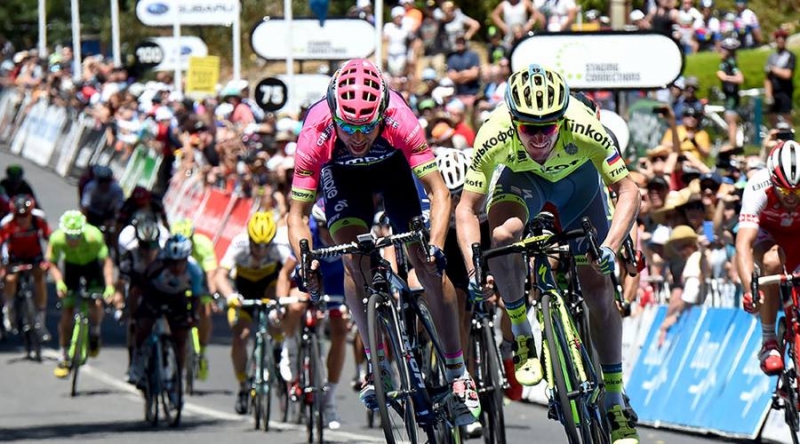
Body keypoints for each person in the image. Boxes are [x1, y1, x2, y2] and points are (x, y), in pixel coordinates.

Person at [286, 58, 481, 426]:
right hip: (342, 179)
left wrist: (435, 248)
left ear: (381, 114)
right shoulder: (315, 131)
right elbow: (296, 214)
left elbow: (439, 192)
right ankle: (379, 365)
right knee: (352, 258)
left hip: (394, 172)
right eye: (348, 127)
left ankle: (459, 373)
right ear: (333, 115)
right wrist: (304, 259)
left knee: (425, 263)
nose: (357, 137)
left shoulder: (400, 119)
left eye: (366, 127)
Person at [455, 64, 640, 443]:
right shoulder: (493, 133)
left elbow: (629, 190)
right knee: (505, 234)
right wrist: (475, 265)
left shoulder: (586, 125)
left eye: (548, 128)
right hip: (523, 183)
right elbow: (466, 208)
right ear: (513, 120)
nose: (539, 137)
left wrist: (610, 247)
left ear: (562, 118)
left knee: (598, 287)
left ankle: (614, 396)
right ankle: (522, 328)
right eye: (528, 128)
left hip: (580, 189)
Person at [216, 212, 297, 414]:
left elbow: (288, 275)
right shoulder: (238, 244)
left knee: (275, 315)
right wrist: (229, 295)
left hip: (268, 287)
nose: (261, 250)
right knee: (240, 336)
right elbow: (220, 275)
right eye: (256, 245)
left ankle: (277, 345)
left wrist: (282, 304)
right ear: (249, 238)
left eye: (265, 245)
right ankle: (244, 386)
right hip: (244, 291)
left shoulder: (279, 245)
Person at [736, 140, 800, 376]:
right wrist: (749, 289)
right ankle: (769, 341)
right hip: (769, 236)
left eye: (798, 191)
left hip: (797, 238)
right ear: (774, 183)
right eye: (785, 191)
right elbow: (743, 244)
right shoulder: (757, 186)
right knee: (772, 262)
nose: (792, 197)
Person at [127, 235, 204, 386]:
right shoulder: (157, 266)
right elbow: (139, 287)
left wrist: (193, 315)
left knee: (181, 337)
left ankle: (177, 380)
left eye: (180, 263)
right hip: (155, 295)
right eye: (172, 263)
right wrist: (135, 313)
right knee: (143, 324)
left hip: (177, 299)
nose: (176, 267)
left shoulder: (195, 271)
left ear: (186, 259)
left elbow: (196, 297)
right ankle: (138, 359)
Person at [48, 211, 115, 378]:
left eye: (76, 236)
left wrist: (109, 286)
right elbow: (52, 262)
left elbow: (106, 261)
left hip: (92, 268)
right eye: (69, 237)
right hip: (72, 269)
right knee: (67, 310)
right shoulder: (57, 239)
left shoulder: (94, 236)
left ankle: (95, 332)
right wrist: (59, 282)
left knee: (96, 303)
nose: (73, 241)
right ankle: (63, 354)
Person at [308, 201, 349, 430]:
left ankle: (329, 399)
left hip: (336, 282)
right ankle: (292, 350)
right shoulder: (310, 232)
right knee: (297, 309)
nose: (330, 234)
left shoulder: (347, 228)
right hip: (312, 277)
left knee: (340, 331)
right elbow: (289, 272)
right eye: (325, 228)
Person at [171, 219, 219, 381]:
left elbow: (211, 274)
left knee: (205, 311)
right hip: (179, 280)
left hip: (200, 279)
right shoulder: (170, 246)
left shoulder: (203, 244)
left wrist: (212, 295)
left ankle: (202, 352)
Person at [0, 195, 51, 340]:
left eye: (25, 215)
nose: (22, 219)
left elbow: (50, 239)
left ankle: (40, 322)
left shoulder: (39, 219)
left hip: (34, 256)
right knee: (10, 279)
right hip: (14, 257)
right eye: (18, 216)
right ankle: (9, 309)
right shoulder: (7, 223)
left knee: (40, 277)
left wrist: (48, 260)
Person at [764, 29, 796, 128]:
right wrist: (768, 95)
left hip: (785, 92)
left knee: (786, 117)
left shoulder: (790, 56)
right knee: (772, 116)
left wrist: (774, 69)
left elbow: (787, 74)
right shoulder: (772, 57)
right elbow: (767, 78)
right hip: (774, 91)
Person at [716, 37, 744, 148]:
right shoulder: (725, 62)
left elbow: (740, 78)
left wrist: (726, 78)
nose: (720, 51)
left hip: (732, 97)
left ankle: (733, 146)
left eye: (723, 49)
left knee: (731, 122)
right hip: (728, 95)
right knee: (730, 121)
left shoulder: (731, 62)